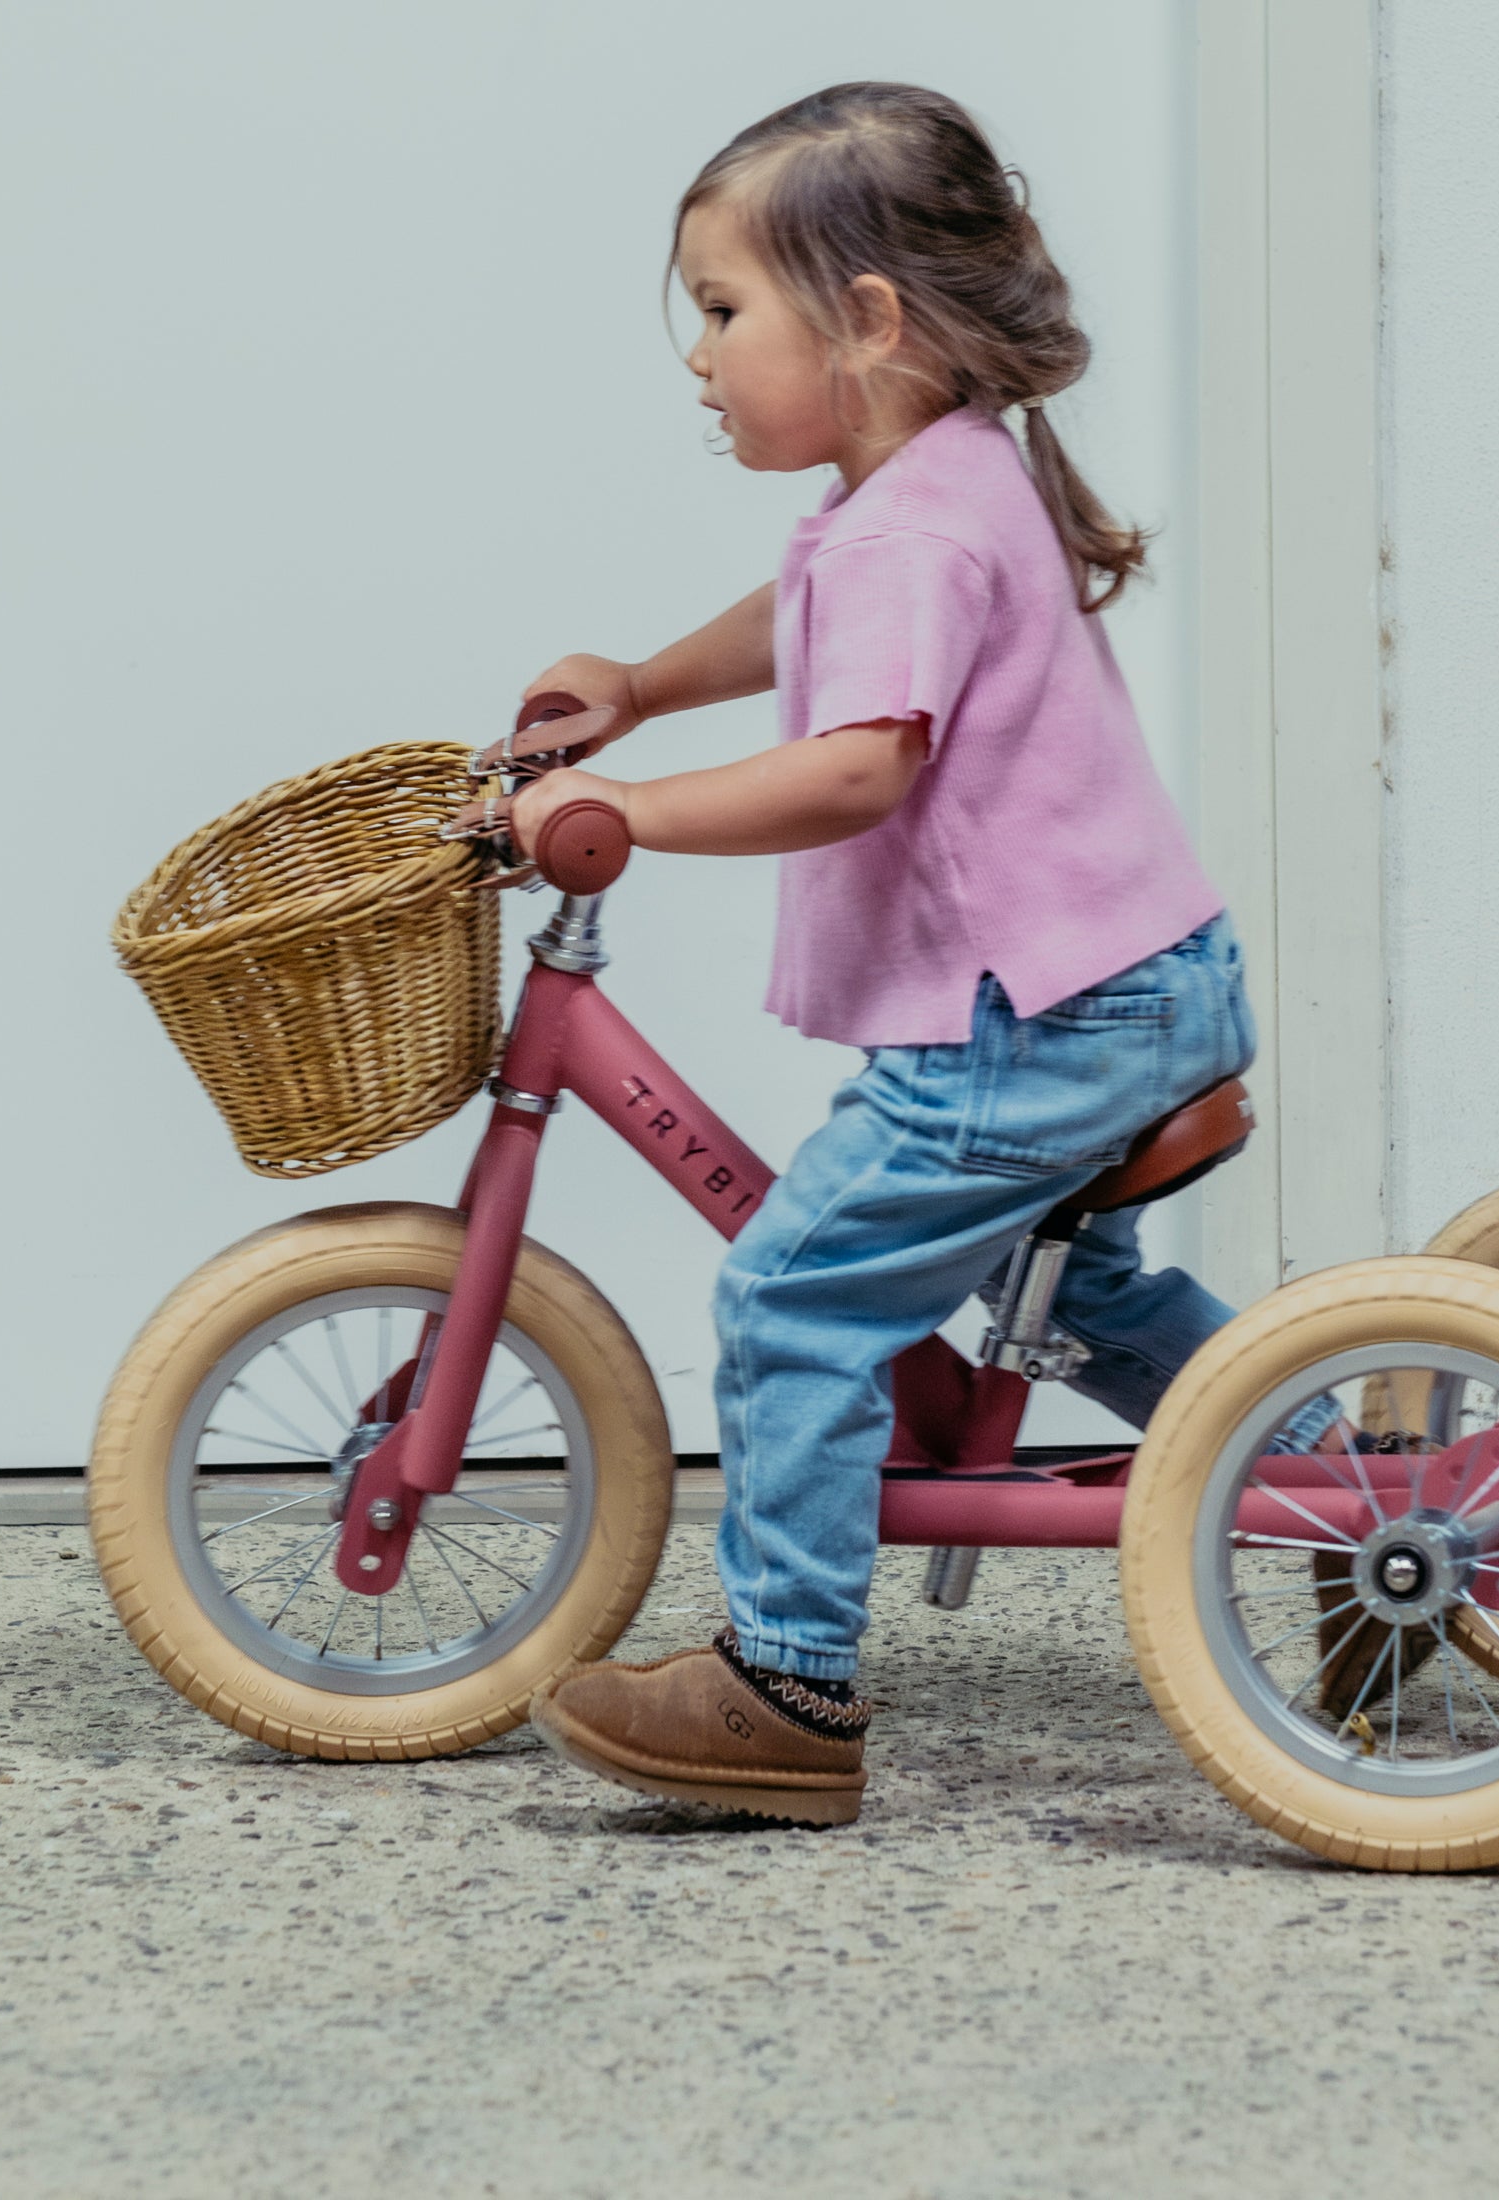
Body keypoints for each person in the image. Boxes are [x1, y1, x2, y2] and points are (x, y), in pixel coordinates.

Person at [512, 83, 1255, 1824]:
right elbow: (811, 613)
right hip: (1134, 982)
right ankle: (1339, 1483)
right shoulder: (932, 480)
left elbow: (861, 763)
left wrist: (624, 806)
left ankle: (787, 1685)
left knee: (790, 1297)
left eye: (721, 309)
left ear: (864, 321)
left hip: (1047, 1022)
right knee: (1103, 1300)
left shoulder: (920, 515)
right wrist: (638, 681)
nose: (696, 354)